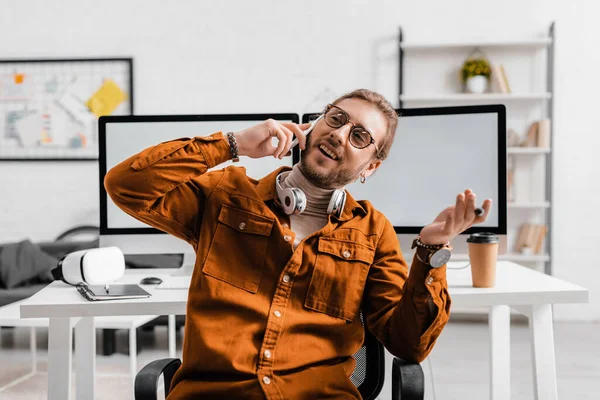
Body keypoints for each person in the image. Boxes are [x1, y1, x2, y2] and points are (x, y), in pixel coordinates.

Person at [105, 89, 491, 399]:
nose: (339, 134)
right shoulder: (225, 196)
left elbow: (409, 345)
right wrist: (233, 143)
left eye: (359, 136)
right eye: (336, 118)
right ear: (314, 123)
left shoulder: (374, 232)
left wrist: (431, 253)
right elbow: (126, 185)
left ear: (370, 167)